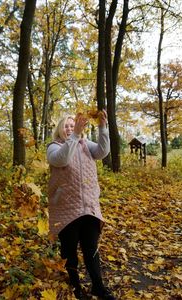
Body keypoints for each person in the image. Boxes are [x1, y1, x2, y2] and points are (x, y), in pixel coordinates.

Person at [47, 110, 116, 300]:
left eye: (73, 125)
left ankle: (98, 288)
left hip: (89, 207)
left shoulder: (86, 144)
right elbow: (62, 159)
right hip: (66, 208)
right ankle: (75, 287)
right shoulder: (53, 147)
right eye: (67, 126)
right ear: (60, 130)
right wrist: (76, 134)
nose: (70, 128)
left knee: (91, 250)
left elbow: (102, 151)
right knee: (69, 251)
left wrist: (103, 127)